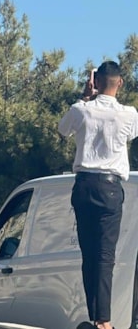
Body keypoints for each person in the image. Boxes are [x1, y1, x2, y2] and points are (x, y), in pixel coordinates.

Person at [59, 60, 138, 329]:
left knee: (89, 255)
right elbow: (131, 135)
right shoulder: (129, 114)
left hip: (83, 186)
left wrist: (84, 97)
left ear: (95, 82)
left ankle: (96, 317)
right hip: (110, 187)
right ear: (121, 83)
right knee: (105, 255)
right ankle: (103, 321)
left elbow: (62, 129)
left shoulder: (81, 109)